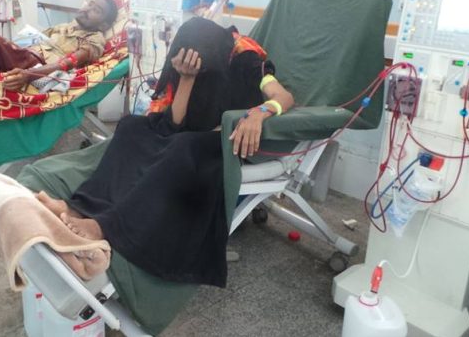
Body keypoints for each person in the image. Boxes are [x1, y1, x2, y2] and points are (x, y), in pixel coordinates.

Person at [36, 17, 294, 287]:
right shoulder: (188, 61)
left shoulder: (245, 57)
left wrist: (258, 113)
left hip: (221, 143)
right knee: (131, 128)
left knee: (179, 148)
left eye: (200, 65)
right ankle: (80, 208)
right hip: (188, 134)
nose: (194, 66)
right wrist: (187, 77)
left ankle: (105, 226)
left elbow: (284, 97)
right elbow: (174, 122)